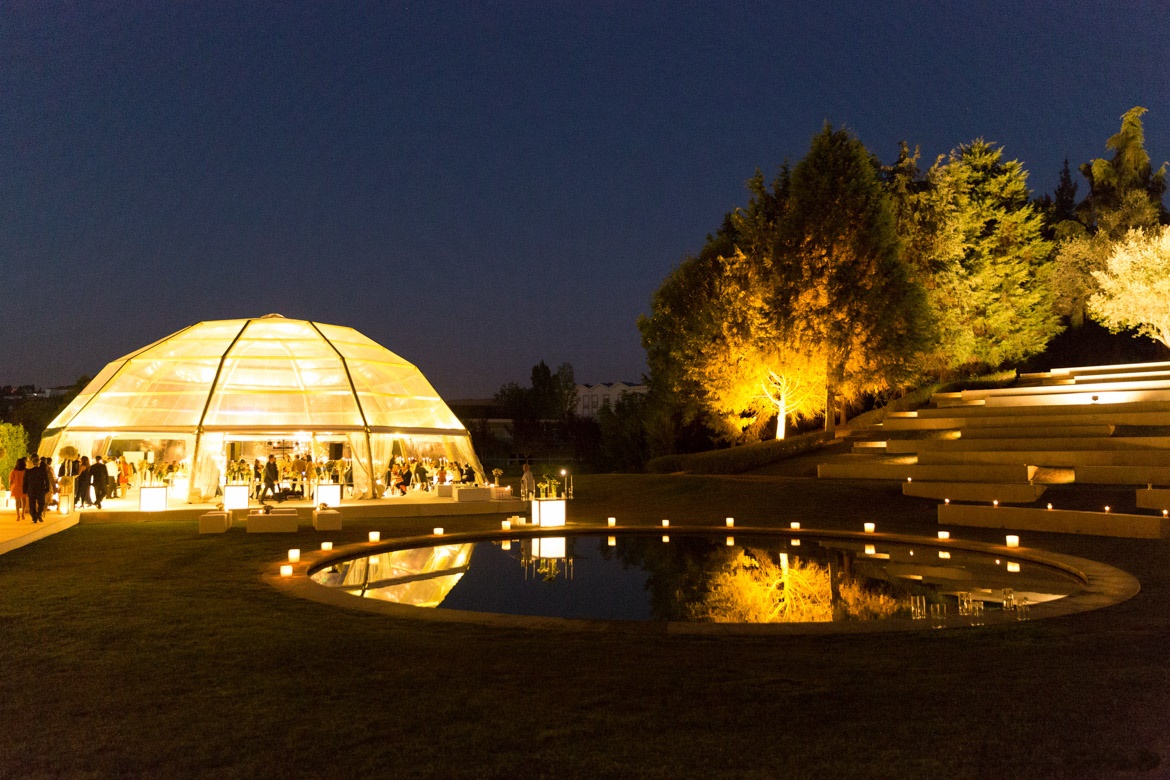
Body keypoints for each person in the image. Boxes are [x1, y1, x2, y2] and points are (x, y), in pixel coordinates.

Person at [23, 457, 50, 523]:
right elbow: (46, 480)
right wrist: (47, 488)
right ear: (39, 463)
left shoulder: (28, 471)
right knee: (41, 503)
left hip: (31, 490)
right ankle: (38, 514)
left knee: (32, 504)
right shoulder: (42, 471)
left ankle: (34, 517)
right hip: (40, 489)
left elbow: (25, 482)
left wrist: (25, 490)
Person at [8, 457, 27, 521]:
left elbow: (11, 480)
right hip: (24, 487)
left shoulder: (13, 471)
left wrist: (10, 487)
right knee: (24, 500)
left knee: (17, 501)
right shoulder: (26, 471)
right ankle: (23, 514)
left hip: (16, 487)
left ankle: (18, 515)